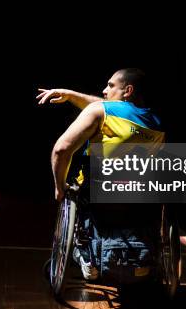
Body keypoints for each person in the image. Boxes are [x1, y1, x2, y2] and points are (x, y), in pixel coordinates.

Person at [37, 68, 165, 280]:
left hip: (99, 193)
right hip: (141, 200)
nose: (105, 91)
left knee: (76, 188)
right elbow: (109, 107)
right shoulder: (156, 123)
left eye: (111, 85)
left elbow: (61, 150)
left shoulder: (100, 111)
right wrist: (71, 95)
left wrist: (59, 187)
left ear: (128, 90)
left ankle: (87, 255)